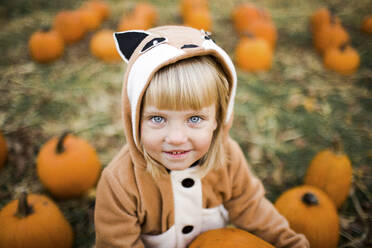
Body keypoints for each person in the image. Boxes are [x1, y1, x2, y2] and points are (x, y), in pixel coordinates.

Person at [94, 25, 309, 248]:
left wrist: (289, 243)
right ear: (135, 120)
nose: (176, 138)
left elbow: (252, 208)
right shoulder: (119, 183)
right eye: (157, 118)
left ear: (218, 119)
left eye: (194, 119)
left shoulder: (228, 158)